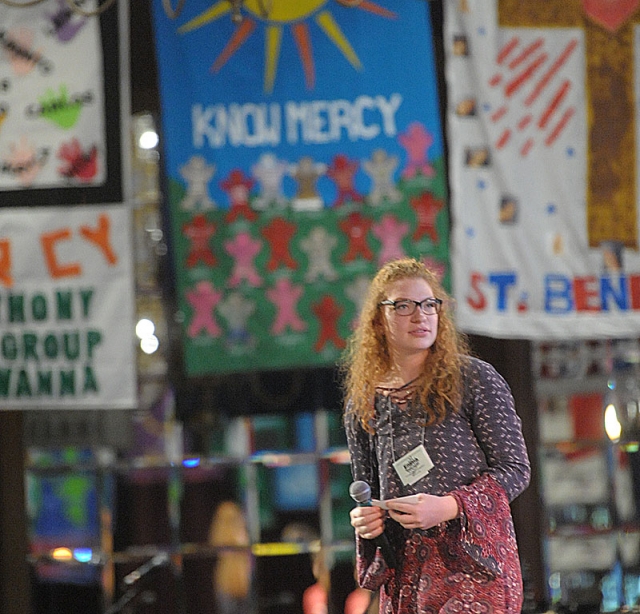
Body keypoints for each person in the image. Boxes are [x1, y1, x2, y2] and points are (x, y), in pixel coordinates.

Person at [341, 257, 531, 613]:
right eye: (403, 306)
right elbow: (367, 493)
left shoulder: (474, 378)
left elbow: (515, 469)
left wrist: (450, 506)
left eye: (429, 304)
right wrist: (366, 521)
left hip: (476, 567)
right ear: (378, 321)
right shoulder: (363, 401)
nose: (420, 315)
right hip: (408, 577)